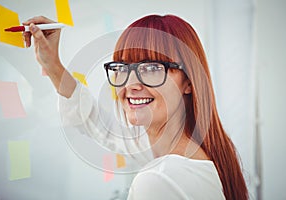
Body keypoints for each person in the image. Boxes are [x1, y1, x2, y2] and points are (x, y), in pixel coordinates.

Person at [23, 14, 248, 200]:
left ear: (188, 82)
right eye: (122, 68)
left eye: (151, 69)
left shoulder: (159, 180)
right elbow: (102, 127)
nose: (130, 85)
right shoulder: (193, 152)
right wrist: (52, 64)